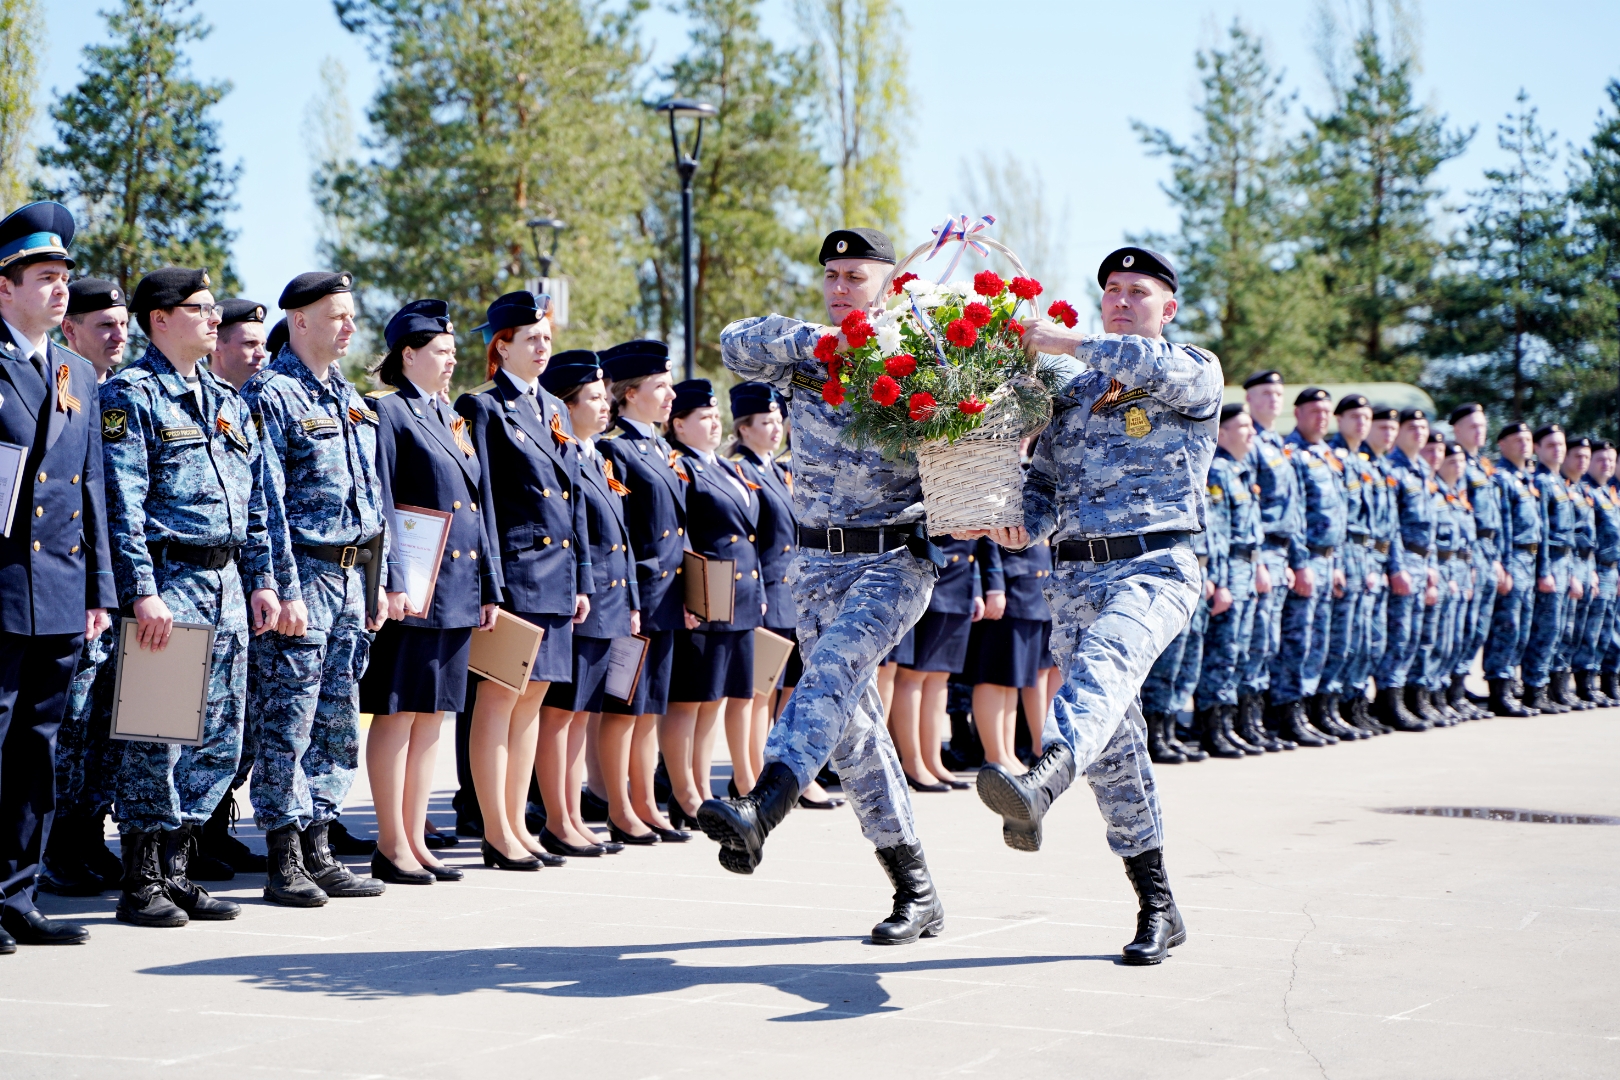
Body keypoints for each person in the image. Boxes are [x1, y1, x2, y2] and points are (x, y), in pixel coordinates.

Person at [966, 246, 1223, 965]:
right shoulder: (1075, 398)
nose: (1119, 300)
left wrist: (1064, 342)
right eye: (1110, 289)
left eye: (1137, 292)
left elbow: (1146, 365)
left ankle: (1045, 777)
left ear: (1166, 308)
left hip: (1156, 566)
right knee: (1115, 749)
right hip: (1075, 580)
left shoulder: (1191, 372)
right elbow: (1044, 494)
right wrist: (1012, 519)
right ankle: (1157, 904)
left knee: (1106, 666)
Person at [710, 226, 944, 946]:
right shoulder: (807, 357)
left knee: (831, 675)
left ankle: (764, 803)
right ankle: (916, 888)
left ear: (887, 283)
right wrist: (822, 343)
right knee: (854, 731)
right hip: (815, 566)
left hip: (893, 560)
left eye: (856, 277)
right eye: (832, 276)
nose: (841, 288)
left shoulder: (922, 360)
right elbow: (734, 342)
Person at [102, 266, 284, 927]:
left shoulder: (227, 398)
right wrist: (141, 590)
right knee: (156, 734)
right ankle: (142, 877)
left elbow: (257, 501)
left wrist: (263, 579)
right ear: (160, 319)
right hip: (170, 580)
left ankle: (178, 869)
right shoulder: (132, 393)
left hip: (228, 584)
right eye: (200, 308)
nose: (215, 318)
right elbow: (121, 502)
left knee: (218, 738)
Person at [243, 270, 388, 906]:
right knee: (288, 720)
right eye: (337, 316)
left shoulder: (350, 397)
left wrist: (378, 581)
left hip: (352, 581)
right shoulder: (270, 394)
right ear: (300, 320)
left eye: (351, 315)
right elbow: (266, 505)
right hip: (303, 576)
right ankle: (283, 854)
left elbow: (373, 500)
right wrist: (284, 589)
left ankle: (321, 844)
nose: (350, 326)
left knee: (335, 721)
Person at [0, 201, 114, 951]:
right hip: (2, 587)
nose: (60, 290)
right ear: (3, 288)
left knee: (38, 747)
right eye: (44, 277)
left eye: (64, 277)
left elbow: (92, 487)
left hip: (63, 594)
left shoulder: (75, 367)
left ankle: (17, 893)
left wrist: (102, 591)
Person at [361, 300, 497, 884]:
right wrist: (389, 580)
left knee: (432, 720)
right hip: (413, 590)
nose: (450, 360)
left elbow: (477, 508)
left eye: (453, 351)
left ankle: (415, 837)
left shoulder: (451, 418)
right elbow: (381, 503)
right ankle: (390, 842)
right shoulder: (387, 414)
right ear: (407, 355)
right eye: (439, 351)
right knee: (397, 716)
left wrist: (489, 585)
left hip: (457, 590)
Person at [456, 291, 588, 868]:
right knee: (500, 702)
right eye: (531, 339)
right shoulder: (483, 407)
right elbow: (479, 500)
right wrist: (492, 585)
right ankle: (496, 830)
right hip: (516, 574)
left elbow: (574, 498)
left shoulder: (554, 410)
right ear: (501, 344)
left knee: (532, 703)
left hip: (557, 576)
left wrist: (580, 576)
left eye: (547, 339)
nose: (542, 347)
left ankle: (517, 824)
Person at [542, 352, 664, 844]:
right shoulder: (567, 454)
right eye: (593, 397)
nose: (605, 404)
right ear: (566, 406)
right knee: (564, 713)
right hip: (584, 600)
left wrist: (633, 598)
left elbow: (624, 538)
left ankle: (572, 817)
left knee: (583, 714)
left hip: (612, 602)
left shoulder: (597, 456)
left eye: (603, 395)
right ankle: (560, 818)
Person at [38, 276, 129, 897]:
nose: (116, 335)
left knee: (105, 723)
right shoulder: (66, 384)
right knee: (68, 723)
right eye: (104, 326)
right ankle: (58, 845)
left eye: (123, 324)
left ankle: (88, 835)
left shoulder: (104, 389)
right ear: (71, 331)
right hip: (69, 579)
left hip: (115, 582)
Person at [727, 381, 842, 808]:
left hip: (795, 596)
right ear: (743, 429)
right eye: (765, 422)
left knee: (792, 690)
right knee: (761, 694)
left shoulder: (779, 470)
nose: (776, 429)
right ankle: (753, 776)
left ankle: (789, 775)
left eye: (779, 421)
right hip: (766, 593)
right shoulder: (740, 470)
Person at [596, 341, 687, 838]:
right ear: (629, 395)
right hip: (638, 596)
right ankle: (620, 809)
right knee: (624, 707)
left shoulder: (660, 448)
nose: (670, 395)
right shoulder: (616, 449)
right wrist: (630, 595)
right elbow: (621, 534)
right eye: (660, 387)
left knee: (650, 706)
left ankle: (647, 803)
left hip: (668, 597)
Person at [663, 378, 764, 820]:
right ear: (679, 425)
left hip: (739, 597)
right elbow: (679, 533)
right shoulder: (681, 467)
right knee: (693, 699)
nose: (713, 423)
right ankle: (685, 791)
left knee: (719, 698)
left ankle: (703, 786)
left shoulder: (725, 467)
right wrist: (688, 594)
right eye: (702, 417)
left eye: (715, 415)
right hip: (705, 595)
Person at [1270, 387, 1355, 745]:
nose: (1321, 416)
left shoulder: (1330, 457)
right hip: (1304, 559)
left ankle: (1314, 709)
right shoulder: (1292, 454)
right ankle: (1287, 711)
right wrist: (1300, 562)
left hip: (1328, 558)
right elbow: (1295, 517)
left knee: (1322, 640)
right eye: (1313, 410)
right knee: (1297, 641)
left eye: (1326, 411)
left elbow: (1341, 516)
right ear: (1299, 414)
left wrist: (1336, 561)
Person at [1193, 404, 1270, 753]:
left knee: (1241, 649)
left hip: (1244, 569)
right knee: (1222, 651)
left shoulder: (1241, 470)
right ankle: (1212, 726)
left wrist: (1259, 566)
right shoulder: (1218, 470)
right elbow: (1218, 532)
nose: (1251, 432)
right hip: (1226, 571)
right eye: (1243, 427)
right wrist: (1219, 579)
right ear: (1222, 433)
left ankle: (1229, 723)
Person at [1235, 370, 1301, 749]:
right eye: (1266, 393)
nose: (1275, 399)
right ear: (1250, 399)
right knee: (1253, 638)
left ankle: (1258, 720)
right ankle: (1244, 720)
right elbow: (1250, 509)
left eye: (1278, 393)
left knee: (1269, 640)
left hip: (1279, 553)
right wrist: (1259, 558)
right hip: (1257, 553)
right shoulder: (1249, 444)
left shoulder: (1278, 443)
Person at [1321, 394, 1388, 736]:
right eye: (1354, 417)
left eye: (1367, 417)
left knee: (1365, 637)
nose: (1362, 422)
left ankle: (1355, 703)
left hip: (1368, 559)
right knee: (1340, 638)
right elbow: (1338, 521)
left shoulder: (1365, 461)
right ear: (1340, 420)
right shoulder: (1332, 457)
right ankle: (1332, 706)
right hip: (1344, 557)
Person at [891, 536, 980, 790]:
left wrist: (977, 589)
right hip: (930, 574)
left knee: (940, 676)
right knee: (913, 675)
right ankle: (912, 761)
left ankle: (932, 759)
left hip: (959, 580)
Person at [967, 534, 1062, 770]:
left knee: (1010, 682)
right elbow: (988, 537)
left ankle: (1006, 754)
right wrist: (995, 586)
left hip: (1031, 589)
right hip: (1010, 589)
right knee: (995, 677)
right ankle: (995, 754)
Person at [1371, 408, 1437, 730]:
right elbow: (1391, 525)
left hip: (1423, 561)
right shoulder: (1392, 468)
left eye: (1423, 427)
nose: (1418, 432)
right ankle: (1389, 701)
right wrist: (1397, 567)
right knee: (1398, 636)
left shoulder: (1423, 469)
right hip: (1403, 561)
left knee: (1417, 637)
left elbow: (1433, 527)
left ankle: (1412, 697)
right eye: (1412, 427)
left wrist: (1433, 566)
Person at [1481, 421, 1545, 717]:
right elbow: (1503, 527)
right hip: (1514, 556)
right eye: (1516, 440)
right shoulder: (1502, 477)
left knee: (1523, 627)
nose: (1524, 444)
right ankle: (1499, 688)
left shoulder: (1527, 478)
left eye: (1528, 439)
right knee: (1508, 626)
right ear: (1502, 444)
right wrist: (1504, 564)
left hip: (1530, 559)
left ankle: (1511, 682)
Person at [1449, 404, 1506, 718]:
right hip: (1470, 553)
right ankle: (1453, 689)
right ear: (1457, 430)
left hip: (1488, 551)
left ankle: (1461, 685)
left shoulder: (1484, 466)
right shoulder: (1458, 466)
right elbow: (1462, 517)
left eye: (1482, 426)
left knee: (1479, 626)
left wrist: (1496, 558)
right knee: (1464, 623)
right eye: (1472, 426)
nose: (1479, 431)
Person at [1521, 425, 1578, 713]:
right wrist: (1543, 571)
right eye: (1551, 445)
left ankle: (1554, 687)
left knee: (1563, 628)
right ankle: (1535, 688)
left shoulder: (1560, 482)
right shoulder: (1542, 482)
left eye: (1561, 444)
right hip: (1552, 560)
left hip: (1567, 560)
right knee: (1547, 628)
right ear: (1539, 450)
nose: (1558, 449)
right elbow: (1542, 531)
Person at [1552, 436, 1597, 710]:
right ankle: (1546, 688)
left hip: (1586, 565)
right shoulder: (1556, 486)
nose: (1583, 461)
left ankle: (1563, 688)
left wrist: (1589, 570)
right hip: (1562, 565)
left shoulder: (1583, 490)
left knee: (1576, 632)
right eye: (1576, 455)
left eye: (1586, 456)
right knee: (1557, 630)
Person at [1580, 441, 1620, 704]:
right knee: (1591, 631)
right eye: (1600, 459)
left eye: (1610, 460)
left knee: (1611, 630)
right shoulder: (1585, 491)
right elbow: (1586, 538)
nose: (1606, 464)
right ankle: (1586, 684)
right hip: (1596, 569)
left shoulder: (1609, 492)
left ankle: (1608, 680)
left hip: (1613, 570)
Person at [58, 277, 128, 380]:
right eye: (106, 325)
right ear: (69, 329)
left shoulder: (127, 388)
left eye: (123, 324)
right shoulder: (54, 390)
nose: (120, 337)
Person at [207, 299, 270, 391]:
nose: (262, 354)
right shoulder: (194, 398)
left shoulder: (267, 398)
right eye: (250, 343)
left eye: (262, 345)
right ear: (215, 345)